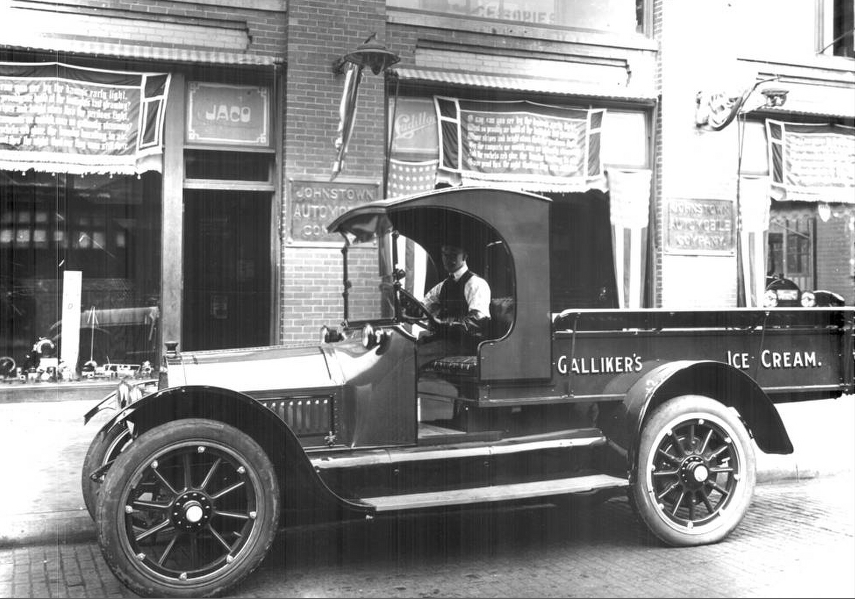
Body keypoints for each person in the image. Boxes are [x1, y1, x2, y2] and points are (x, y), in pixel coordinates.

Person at [416, 243, 491, 367]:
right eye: (445, 254)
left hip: (466, 345)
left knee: (415, 354)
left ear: (464, 257)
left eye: (453, 255)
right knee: (407, 347)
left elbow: (477, 321)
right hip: (446, 341)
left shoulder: (476, 284)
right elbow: (423, 308)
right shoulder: (442, 286)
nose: (448, 259)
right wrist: (410, 306)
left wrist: (444, 324)